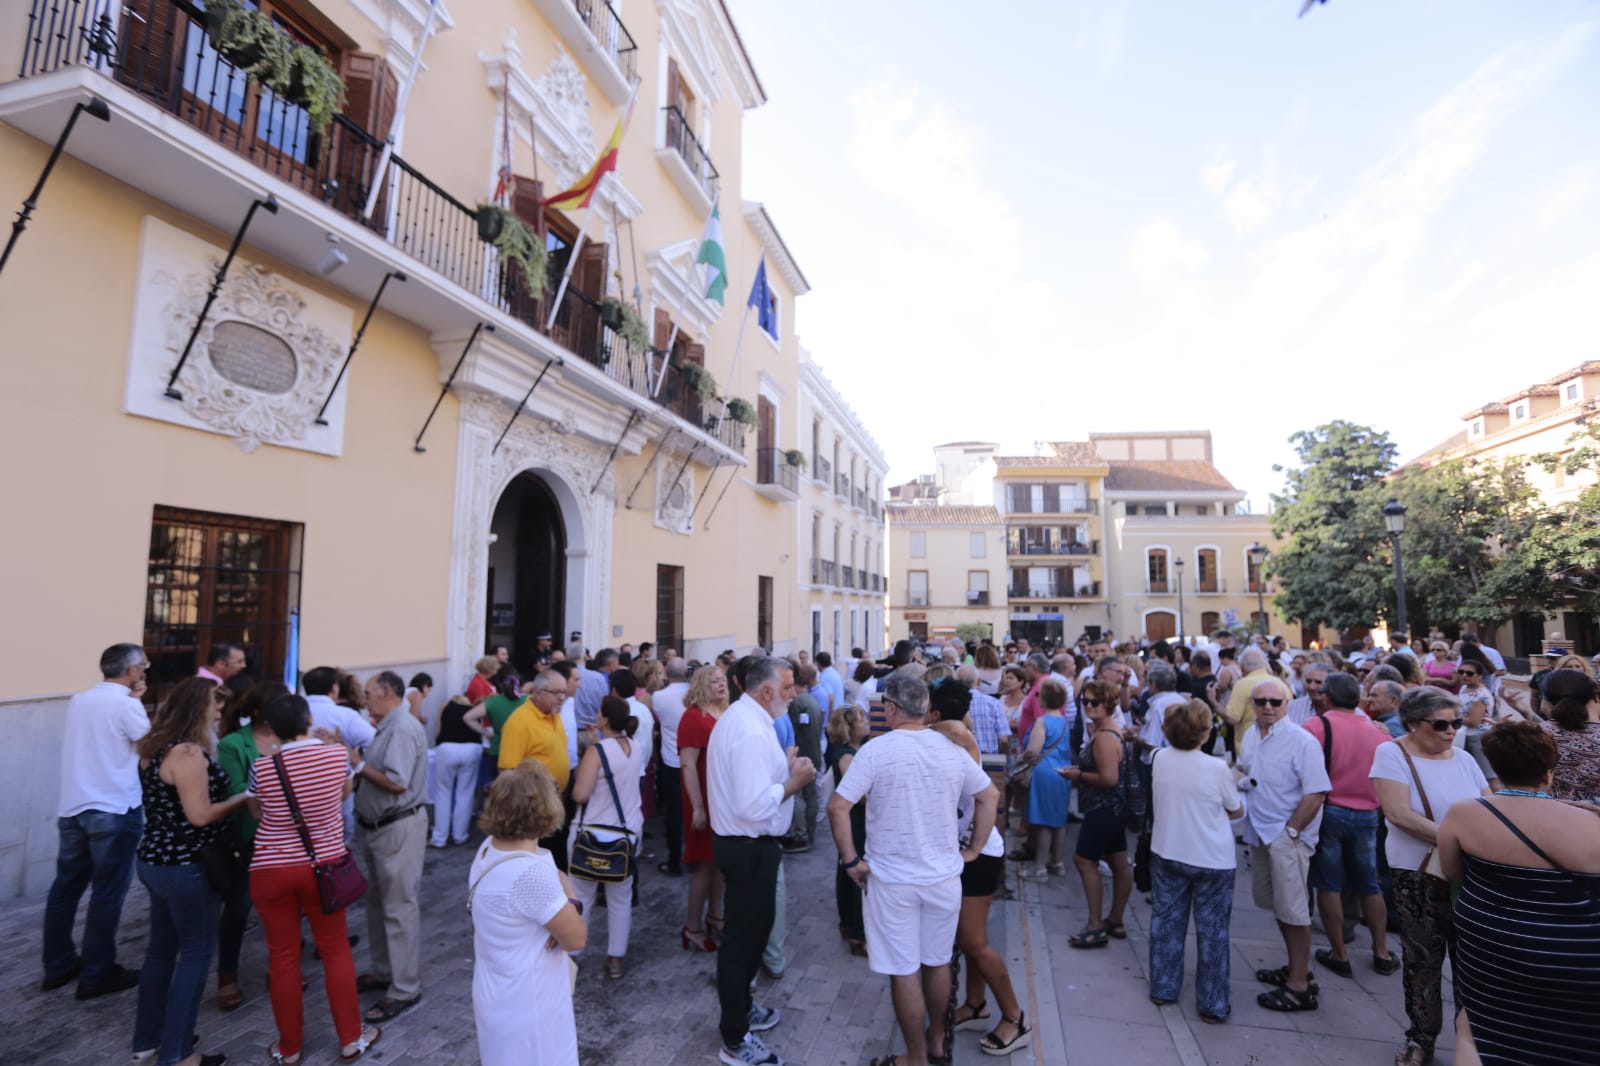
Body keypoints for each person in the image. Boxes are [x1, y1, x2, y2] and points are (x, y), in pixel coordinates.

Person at [830, 672, 1000, 1066]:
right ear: (924, 707)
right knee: (937, 962)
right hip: (943, 876)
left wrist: (851, 860)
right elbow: (989, 796)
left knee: (903, 970)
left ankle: (916, 1057)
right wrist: (974, 849)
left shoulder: (874, 751)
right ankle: (938, 1042)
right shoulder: (950, 749)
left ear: (890, 708)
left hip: (892, 880)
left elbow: (838, 806)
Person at [1439, 721, 1600, 1066]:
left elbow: (1453, 874)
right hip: (1580, 958)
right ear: (1548, 771)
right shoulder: (1591, 823)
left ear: (1495, 765)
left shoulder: (1465, 814)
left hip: (1494, 947)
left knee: (1479, 1031)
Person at [248, 694, 377, 1064]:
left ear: (272, 728)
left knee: (283, 958)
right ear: (308, 719)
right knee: (335, 950)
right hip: (323, 867)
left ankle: (288, 1049)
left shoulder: (263, 766)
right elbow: (344, 793)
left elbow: (258, 811)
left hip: (270, 868)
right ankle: (352, 1039)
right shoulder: (336, 755)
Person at [1370, 687, 1491, 1066]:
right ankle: (1421, 1039)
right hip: (1419, 873)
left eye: (1455, 722)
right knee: (1423, 959)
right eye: (1440, 724)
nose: (1451, 731)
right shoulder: (1392, 753)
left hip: (1469, 872)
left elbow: (1488, 802)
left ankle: (1471, 1042)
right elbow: (1398, 814)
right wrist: (1455, 837)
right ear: (1412, 723)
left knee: (1471, 961)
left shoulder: (1464, 758)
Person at [131, 677, 248, 1066]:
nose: (219, 715)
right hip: (185, 866)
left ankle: (147, 1042)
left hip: (154, 859)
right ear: (197, 709)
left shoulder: (152, 749)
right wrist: (241, 798)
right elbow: (199, 816)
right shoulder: (186, 754)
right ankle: (179, 1054)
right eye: (215, 708)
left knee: (161, 952)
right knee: (196, 954)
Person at [706, 658, 815, 1066]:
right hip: (748, 845)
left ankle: (743, 1011)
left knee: (750, 936)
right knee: (742, 943)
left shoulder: (745, 719)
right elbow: (753, 805)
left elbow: (748, 785)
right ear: (766, 690)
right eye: (788, 686)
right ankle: (735, 1039)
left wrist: (783, 768)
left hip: (747, 845)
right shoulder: (750, 729)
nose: (794, 692)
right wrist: (794, 782)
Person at [42, 643, 152, 999]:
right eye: (143, 666)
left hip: (74, 806)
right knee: (108, 892)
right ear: (132, 671)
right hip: (115, 807)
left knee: (65, 888)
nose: (145, 672)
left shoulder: (80, 699)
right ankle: (97, 972)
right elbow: (148, 748)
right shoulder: (125, 705)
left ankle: (57, 966)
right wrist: (137, 702)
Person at [929, 683, 1028, 1057]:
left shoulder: (953, 733)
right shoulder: (952, 732)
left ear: (935, 714)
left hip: (979, 853)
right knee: (968, 938)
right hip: (967, 851)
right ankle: (974, 1005)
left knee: (974, 942)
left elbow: (951, 731)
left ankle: (1015, 1018)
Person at [469, 760, 586, 1066]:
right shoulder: (530, 874)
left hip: (496, 993)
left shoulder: (487, 850)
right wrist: (571, 900)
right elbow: (576, 939)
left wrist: (557, 886)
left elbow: (549, 875)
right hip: (531, 1005)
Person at [1236, 677, 1330, 1013]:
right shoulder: (1251, 735)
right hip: (1260, 832)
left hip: (1285, 836)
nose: (1268, 707)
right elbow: (1245, 770)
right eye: (1261, 701)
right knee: (1279, 907)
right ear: (1252, 704)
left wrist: (1290, 833)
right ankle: (1297, 968)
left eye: (1275, 702)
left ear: (1287, 703)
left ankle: (1299, 987)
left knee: (1294, 911)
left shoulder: (1302, 741)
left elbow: (1317, 792)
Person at [1147, 698, 1243, 1023]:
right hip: (1211, 857)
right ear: (1203, 734)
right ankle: (1213, 1003)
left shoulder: (1158, 757)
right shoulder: (1216, 768)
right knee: (1213, 932)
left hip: (1168, 849)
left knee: (1166, 923)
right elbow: (1236, 810)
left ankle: (1163, 986)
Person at [1300, 673, 1398, 978]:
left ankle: (1339, 953)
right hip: (1368, 814)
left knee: (1328, 884)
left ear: (1326, 697)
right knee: (1369, 884)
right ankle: (1381, 951)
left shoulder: (1317, 726)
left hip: (1330, 810)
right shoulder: (1378, 733)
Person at [353, 672, 429, 1023]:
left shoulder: (401, 727)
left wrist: (358, 765)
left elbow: (396, 783)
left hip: (397, 827)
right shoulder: (391, 723)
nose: (363, 697)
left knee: (398, 907)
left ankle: (404, 988)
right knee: (378, 904)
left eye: (368, 692)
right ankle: (385, 971)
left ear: (386, 693)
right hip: (382, 828)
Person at [213, 680, 287, 1013]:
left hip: (287, 840)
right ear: (257, 711)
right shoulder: (233, 744)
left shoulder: (292, 739)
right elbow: (239, 791)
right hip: (251, 839)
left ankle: (281, 968)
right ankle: (227, 975)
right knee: (239, 909)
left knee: (286, 909)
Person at [569, 695, 644, 980]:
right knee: (620, 899)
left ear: (604, 718)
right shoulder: (635, 746)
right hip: (626, 834)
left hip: (592, 833)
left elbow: (580, 794)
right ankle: (616, 958)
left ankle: (573, 956)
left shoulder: (596, 752)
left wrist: (592, 747)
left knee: (581, 898)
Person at [1059, 679, 1134, 947]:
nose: (1089, 706)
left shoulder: (1103, 737)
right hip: (1115, 809)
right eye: (1085, 701)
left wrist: (1077, 774)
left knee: (1084, 861)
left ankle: (1095, 926)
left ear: (1109, 705)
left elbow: (1109, 778)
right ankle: (1115, 920)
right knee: (1119, 862)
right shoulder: (1108, 730)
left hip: (1103, 808)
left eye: (1095, 702)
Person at [679, 664, 730, 952]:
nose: (721, 685)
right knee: (704, 864)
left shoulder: (724, 712)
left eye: (723, 680)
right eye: (714, 681)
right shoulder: (694, 718)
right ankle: (693, 927)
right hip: (702, 798)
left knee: (719, 863)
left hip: (721, 799)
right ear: (701, 686)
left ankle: (716, 915)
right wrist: (698, 808)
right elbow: (687, 765)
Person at [1016, 678, 1073, 879]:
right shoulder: (1065, 722)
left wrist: (1020, 758)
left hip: (1044, 774)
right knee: (1058, 821)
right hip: (1063, 773)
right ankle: (1057, 862)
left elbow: (1033, 751)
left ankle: (1040, 868)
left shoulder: (1042, 721)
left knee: (1042, 823)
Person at [824, 706, 868, 956]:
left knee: (845, 870)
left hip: (854, 820)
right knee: (854, 873)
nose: (867, 723)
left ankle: (848, 925)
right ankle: (857, 934)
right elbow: (860, 795)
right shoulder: (846, 756)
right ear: (849, 727)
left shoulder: (855, 750)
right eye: (862, 720)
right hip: (855, 821)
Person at [431, 695, 487, 848]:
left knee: (443, 792)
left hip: (447, 748)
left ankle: (439, 838)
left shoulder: (446, 705)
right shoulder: (473, 709)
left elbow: (438, 731)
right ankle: (460, 836)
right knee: (465, 793)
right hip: (471, 748)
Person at [654, 658, 692, 876]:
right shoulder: (694, 694)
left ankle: (674, 859)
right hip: (692, 760)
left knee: (674, 812)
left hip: (672, 760)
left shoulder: (659, 697)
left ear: (667, 673)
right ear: (687, 672)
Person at [1540, 668, 1600, 803]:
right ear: (1595, 697)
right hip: (1591, 819)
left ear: (1547, 700)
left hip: (1542, 814)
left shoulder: (1536, 734)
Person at [785, 662, 824, 849]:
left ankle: (800, 835)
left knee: (798, 796)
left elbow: (793, 729)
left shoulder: (798, 703)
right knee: (812, 796)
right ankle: (810, 831)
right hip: (815, 752)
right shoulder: (812, 700)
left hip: (803, 753)